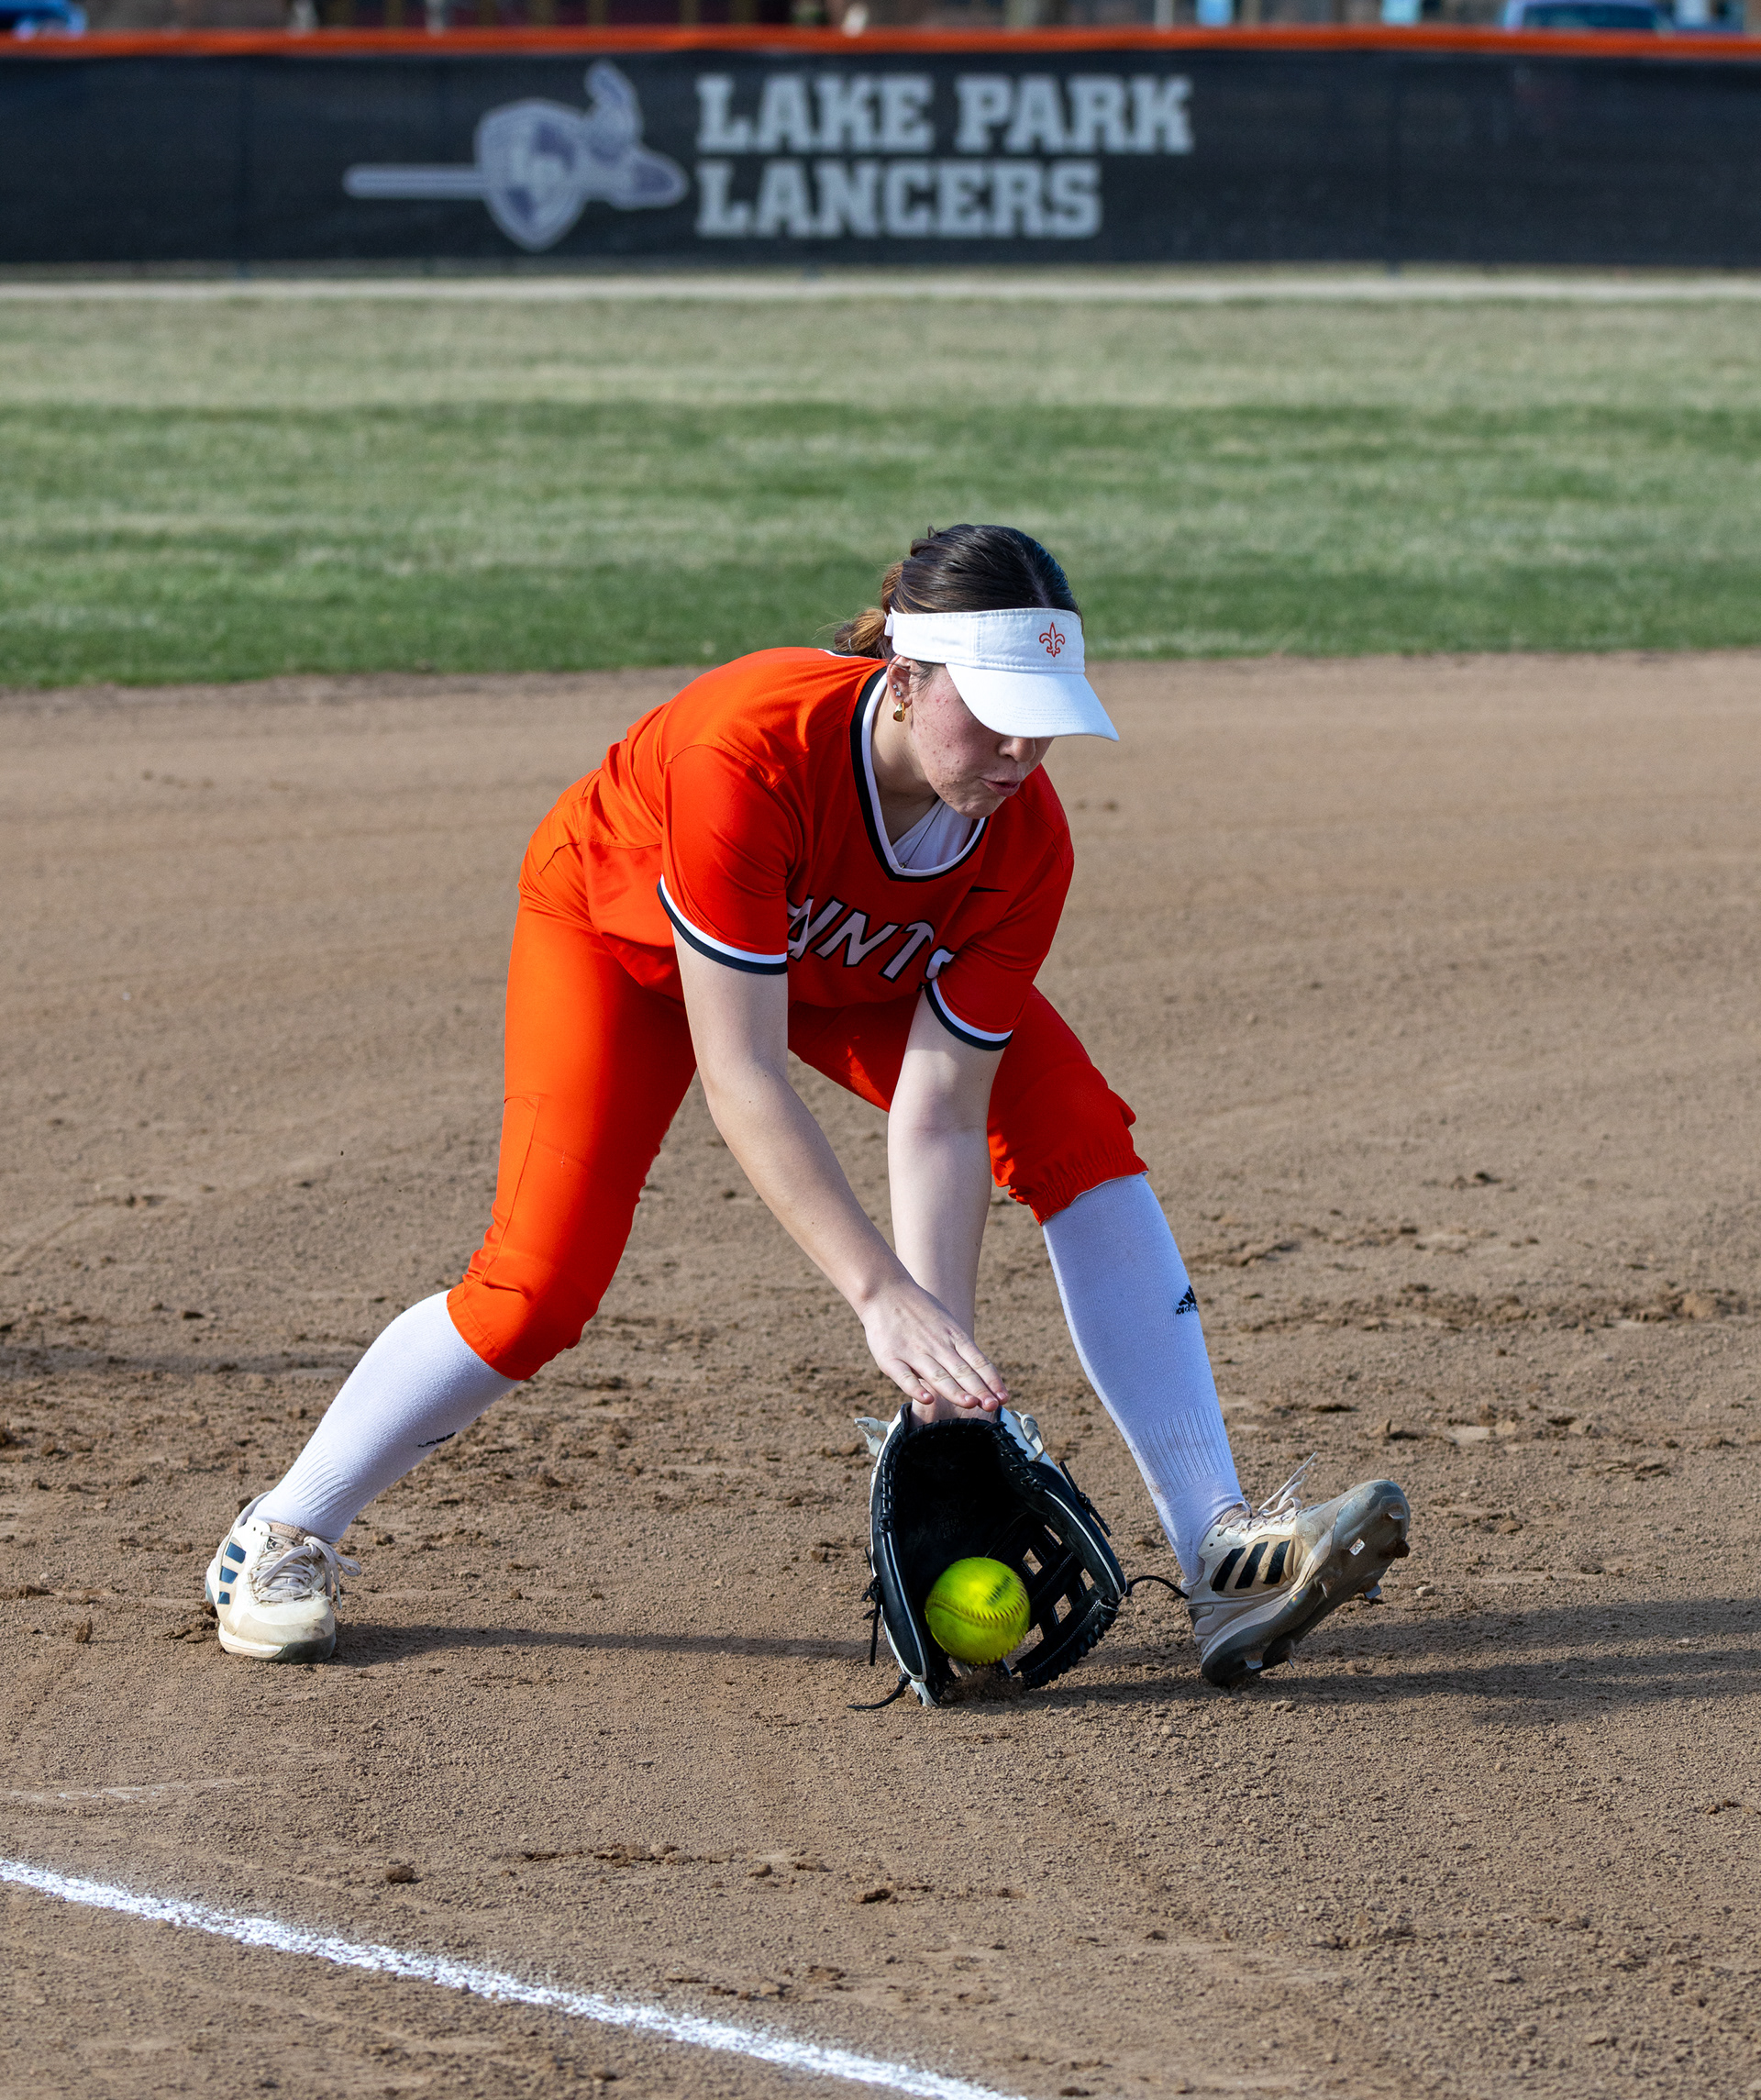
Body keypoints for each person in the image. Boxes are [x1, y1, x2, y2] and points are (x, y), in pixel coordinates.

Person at [205, 526, 1408, 1685]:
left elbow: (941, 1108)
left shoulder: (1025, 843)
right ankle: (282, 1533)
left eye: (1046, 719)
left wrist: (942, 1394)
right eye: (995, 709)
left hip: (851, 957)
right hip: (621, 944)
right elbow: (741, 1071)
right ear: (905, 674)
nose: (1020, 751)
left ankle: (1220, 1552)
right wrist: (879, 1294)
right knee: (538, 1287)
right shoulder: (747, 751)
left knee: (1073, 1126)